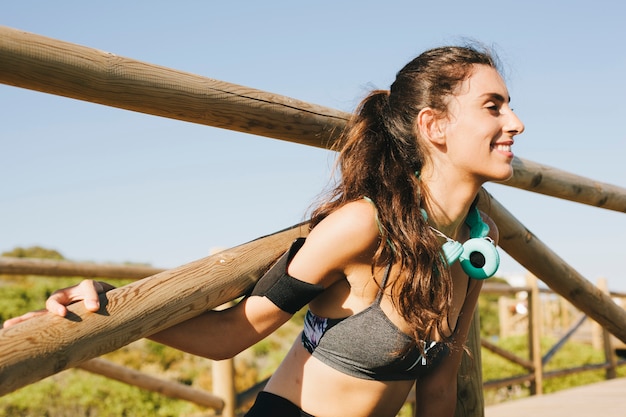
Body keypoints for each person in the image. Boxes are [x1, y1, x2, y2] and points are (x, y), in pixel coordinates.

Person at [4, 44, 524, 416]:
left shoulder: (478, 243)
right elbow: (232, 334)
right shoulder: (363, 227)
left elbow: (438, 388)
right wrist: (108, 308)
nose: (516, 123)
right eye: (493, 106)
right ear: (434, 127)